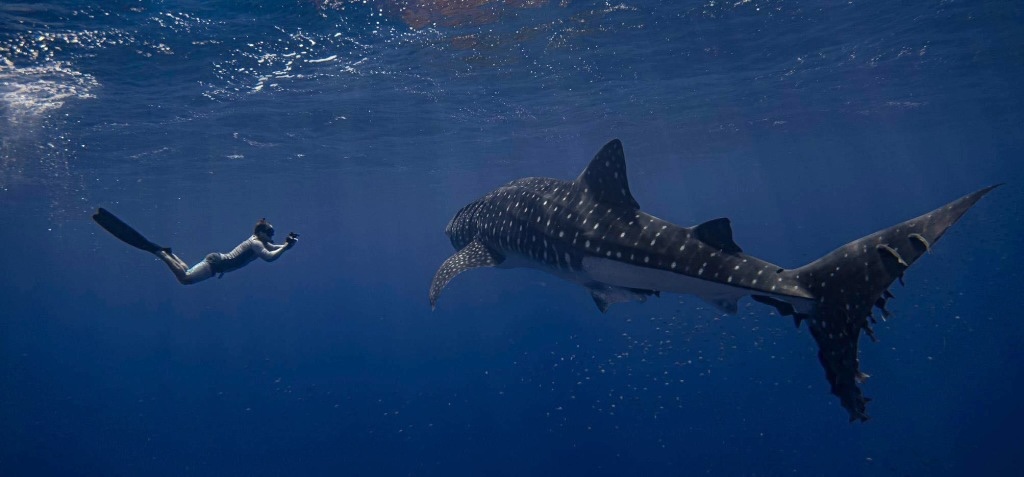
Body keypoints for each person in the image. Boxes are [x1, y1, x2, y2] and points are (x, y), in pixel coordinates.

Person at [155, 218, 298, 285]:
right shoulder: (256, 243)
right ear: (260, 233)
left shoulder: (261, 242)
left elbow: (275, 248)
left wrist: (287, 244)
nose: (272, 236)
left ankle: (170, 254)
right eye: (270, 233)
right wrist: (285, 246)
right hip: (216, 263)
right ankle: (162, 254)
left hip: (217, 263)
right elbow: (269, 257)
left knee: (186, 273)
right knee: (185, 279)